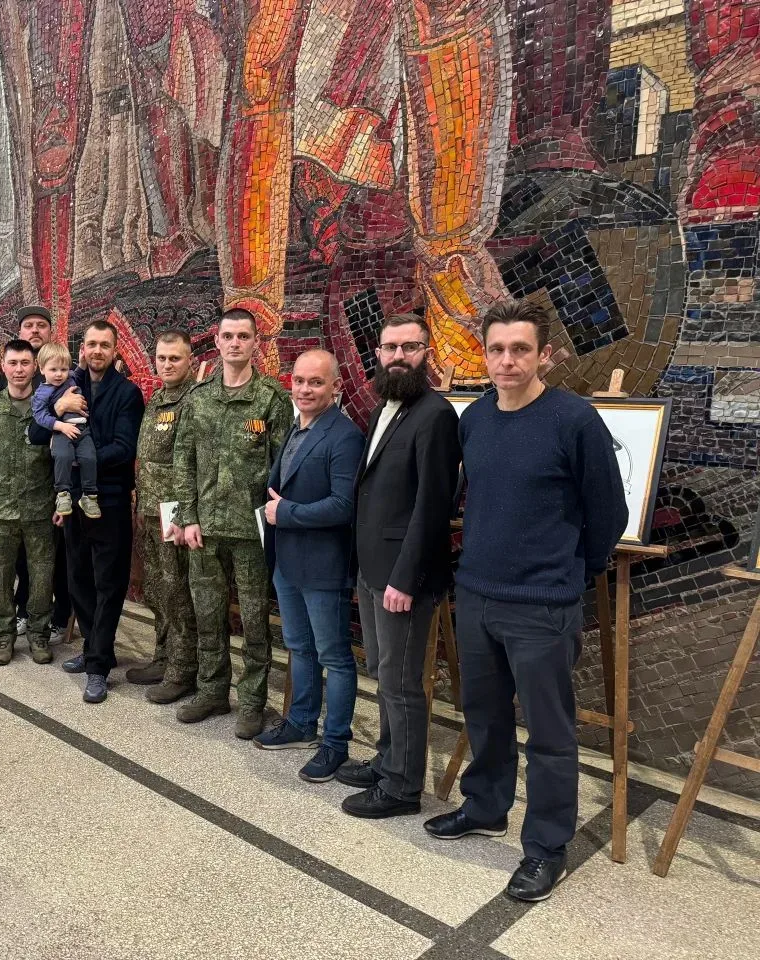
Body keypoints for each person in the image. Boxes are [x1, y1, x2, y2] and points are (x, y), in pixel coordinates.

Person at [424, 300, 626, 903]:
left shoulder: (574, 420)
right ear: (484, 355)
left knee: (549, 733)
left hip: (542, 603)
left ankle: (545, 847)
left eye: (520, 349)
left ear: (545, 355)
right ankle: (486, 807)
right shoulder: (476, 419)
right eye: (497, 349)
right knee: (484, 714)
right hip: (478, 594)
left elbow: (608, 513)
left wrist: (573, 572)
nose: (507, 361)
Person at [338, 314, 461, 819]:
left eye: (409, 347)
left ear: (426, 353)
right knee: (383, 672)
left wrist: (405, 579)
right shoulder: (383, 408)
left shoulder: (436, 415)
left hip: (402, 577)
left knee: (403, 681)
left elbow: (433, 505)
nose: (397, 356)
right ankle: (388, 760)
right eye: (389, 348)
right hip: (373, 569)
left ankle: (402, 788)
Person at [171, 308, 293, 737]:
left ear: (256, 342)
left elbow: (284, 467)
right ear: (217, 342)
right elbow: (183, 460)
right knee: (208, 616)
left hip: (251, 532)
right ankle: (212, 691)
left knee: (256, 622)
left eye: (244, 336)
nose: (235, 343)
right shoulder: (198, 397)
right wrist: (186, 517)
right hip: (204, 528)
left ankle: (253, 701)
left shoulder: (272, 399)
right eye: (228, 336)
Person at [253, 350, 364, 783]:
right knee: (299, 648)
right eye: (299, 381)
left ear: (336, 387)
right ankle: (301, 724)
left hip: (323, 566)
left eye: (316, 382)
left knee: (334, 656)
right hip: (288, 562)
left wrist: (288, 513)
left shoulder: (344, 436)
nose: (304, 389)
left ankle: (335, 743)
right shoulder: (296, 428)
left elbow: (344, 505)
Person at [33, 320, 144, 704]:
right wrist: (57, 407)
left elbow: (125, 448)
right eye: (91, 344)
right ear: (82, 348)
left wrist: (82, 460)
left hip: (108, 500)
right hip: (73, 499)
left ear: (114, 350)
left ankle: (97, 667)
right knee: (77, 577)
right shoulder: (65, 383)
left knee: (108, 583)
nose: (97, 351)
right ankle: (96, 647)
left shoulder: (127, 393)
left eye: (104, 345)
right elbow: (36, 434)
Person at [0, 339, 56, 666]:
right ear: (3, 366)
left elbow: (61, 458)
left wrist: (62, 502)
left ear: (35, 367)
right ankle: (3, 636)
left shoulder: (48, 409)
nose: (19, 370)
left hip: (40, 510)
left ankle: (39, 634)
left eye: (25, 363)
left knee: (42, 577)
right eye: (13, 363)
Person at [128, 330, 199, 702]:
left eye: (175, 358)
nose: (167, 365)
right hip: (150, 510)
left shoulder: (194, 401)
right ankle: (163, 656)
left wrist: (184, 515)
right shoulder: (157, 399)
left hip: (174, 512)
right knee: (156, 589)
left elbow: (192, 464)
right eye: (162, 358)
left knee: (177, 592)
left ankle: (182, 671)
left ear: (190, 360)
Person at [0, 305, 71, 643]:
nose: (35, 330)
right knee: (25, 559)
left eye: (41, 325)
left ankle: (58, 615)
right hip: (21, 484)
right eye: (28, 325)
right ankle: (26, 611)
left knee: (55, 557)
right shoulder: (15, 377)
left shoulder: (64, 374)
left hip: (56, 478)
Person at [31, 342, 99, 518]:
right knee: (63, 456)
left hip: (81, 429)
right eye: (53, 369)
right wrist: (61, 426)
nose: (59, 374)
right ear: (42, 369)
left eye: (63, 369)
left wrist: (82, 363)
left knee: (89, 457)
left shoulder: (69, 378)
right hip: (61, 431)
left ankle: (89, 495)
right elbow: (40, 416)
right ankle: (62, 493)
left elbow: (78, 374)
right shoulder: (41, 393)